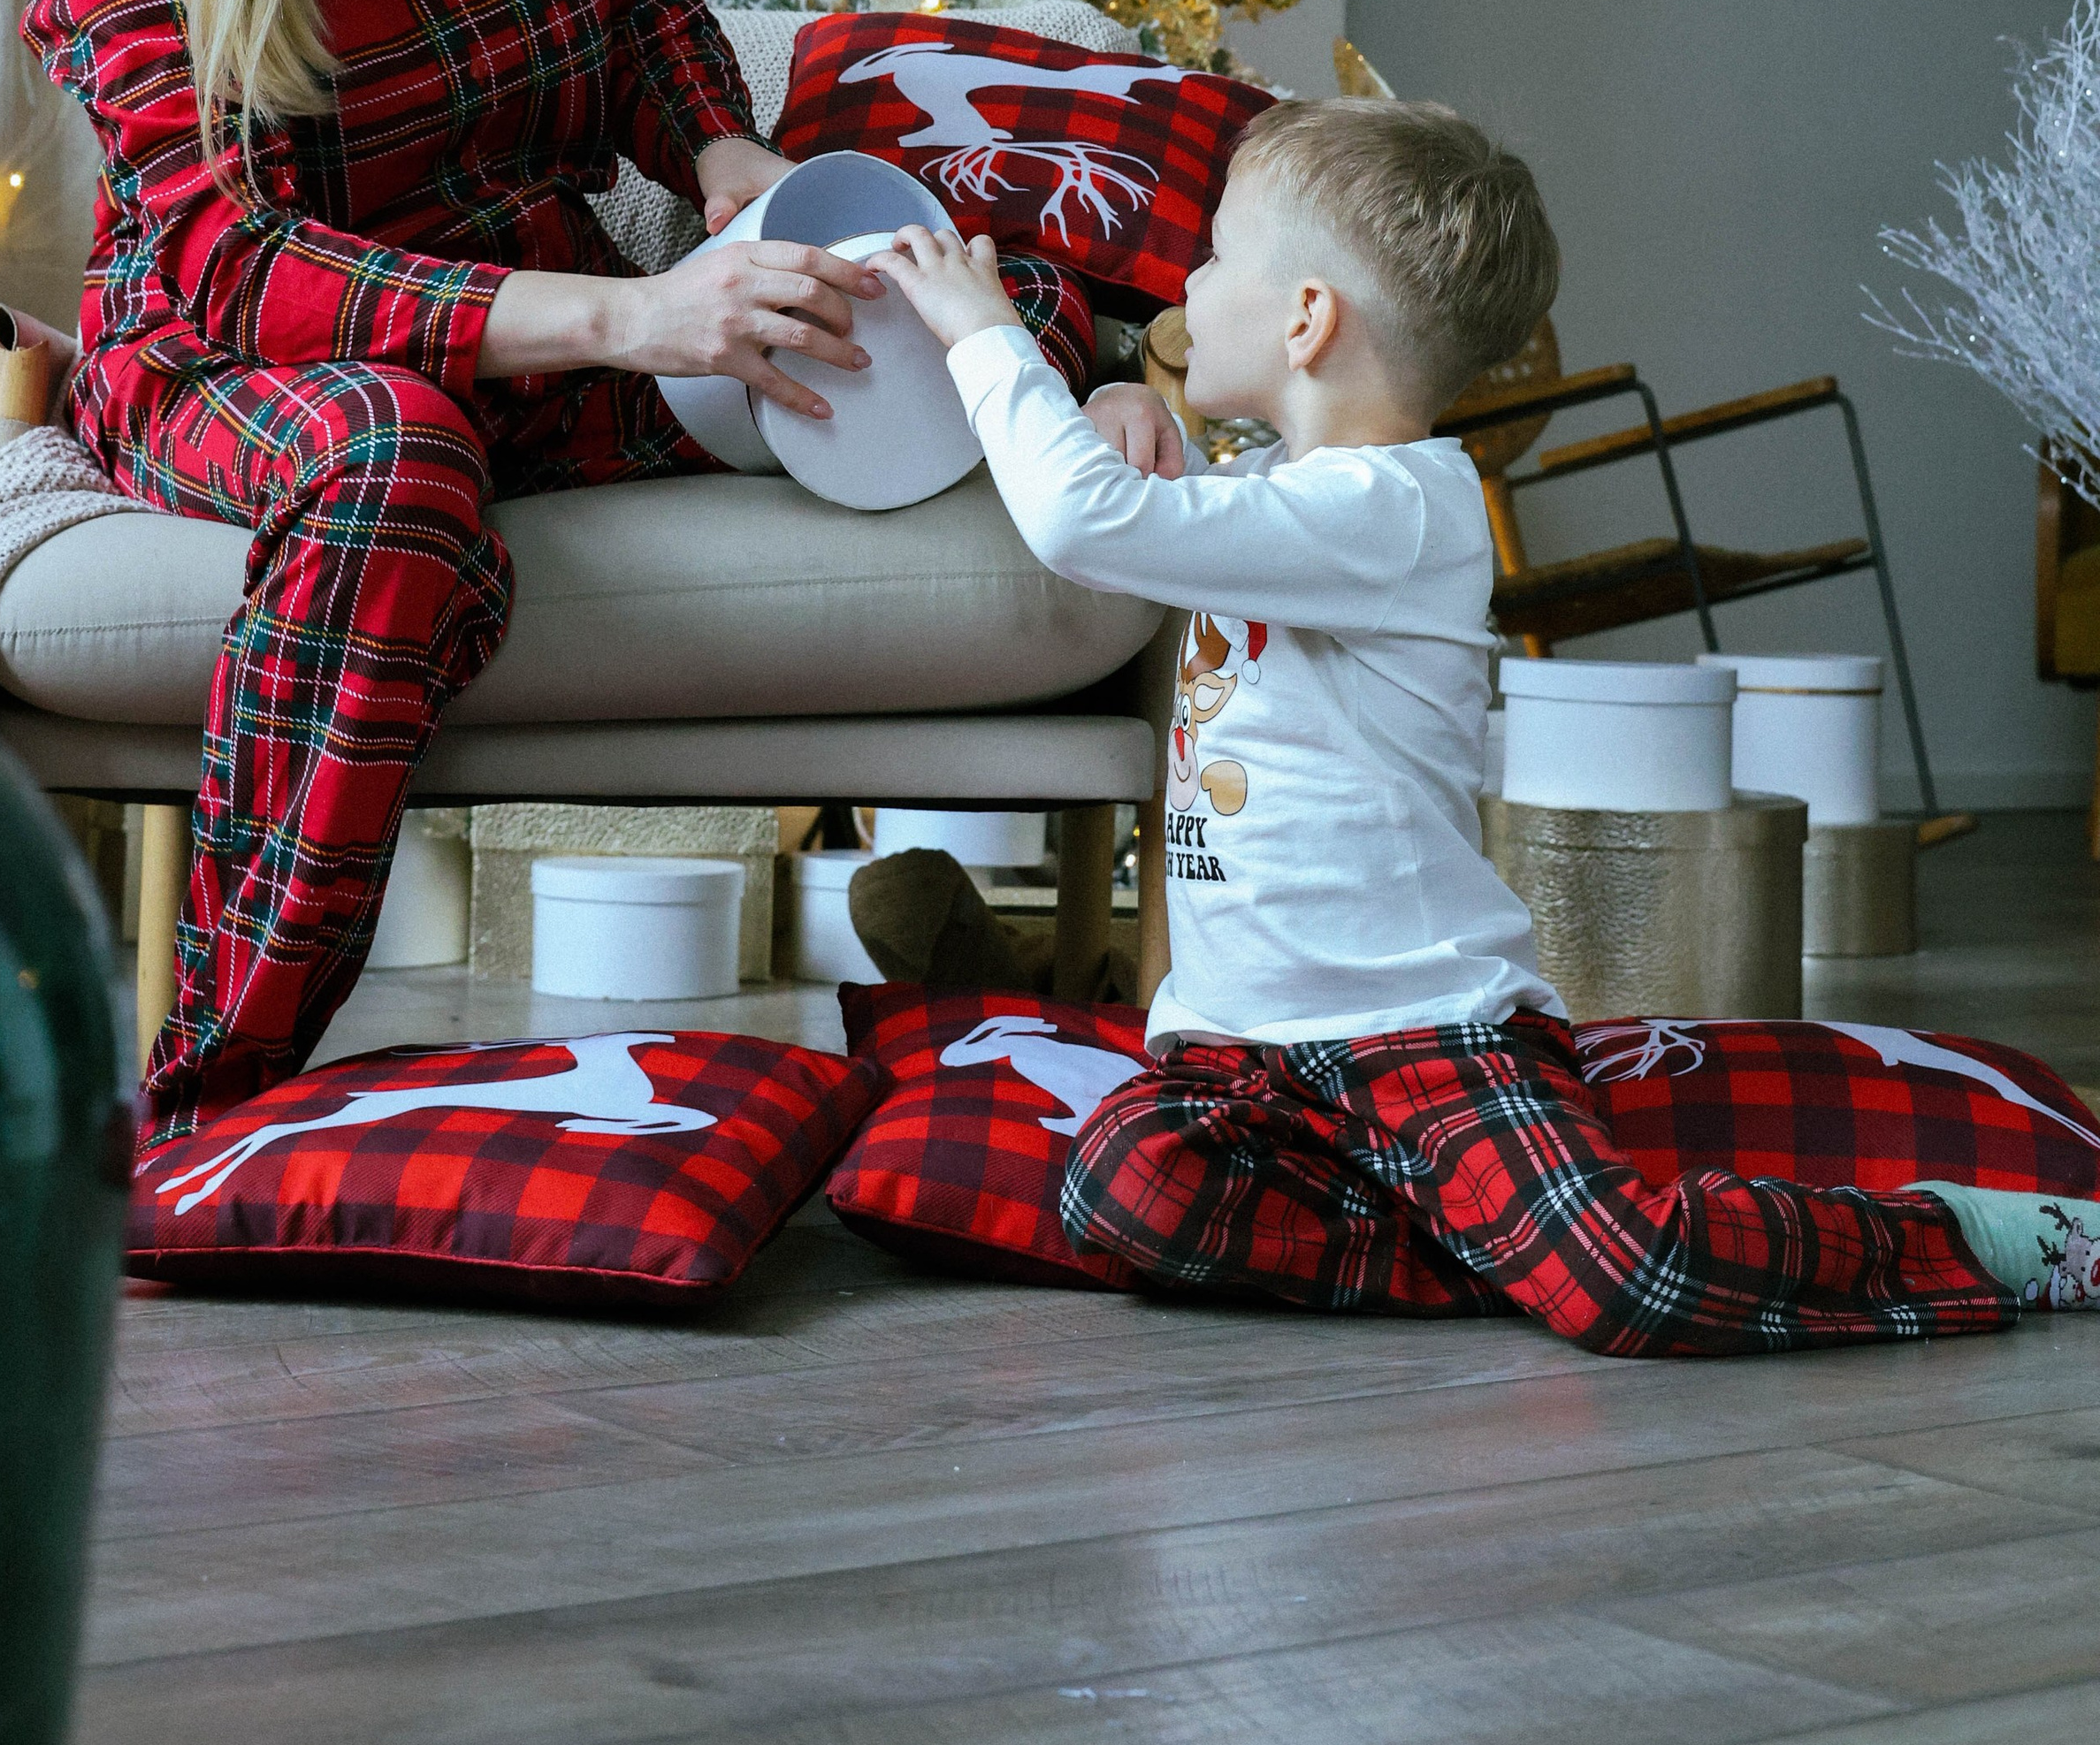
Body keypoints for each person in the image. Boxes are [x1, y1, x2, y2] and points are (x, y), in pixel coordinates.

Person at [23, 0, 1095, 1141]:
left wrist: (731, 162)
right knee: (395, 464)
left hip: (550, 296)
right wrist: (631, 318)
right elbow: (230, 261)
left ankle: (1038, 993)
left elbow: (642, 17)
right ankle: (214, 1096)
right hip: (249, 361)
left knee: (960, 290)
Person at [872, 95, 2100, 1349]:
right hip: (1235, 1054)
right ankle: (1498, 1254)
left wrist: (988, 339)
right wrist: (1128, 412)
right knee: (1121, 1189)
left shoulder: (1402, 506)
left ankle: (1964, 1238)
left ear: (1307, 318)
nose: (1191, 278)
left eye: (1221, 251)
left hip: (1420, 1039)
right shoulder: (1265, 493)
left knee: (1632, 1284)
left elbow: (1086, 525)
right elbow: (1133, 516)